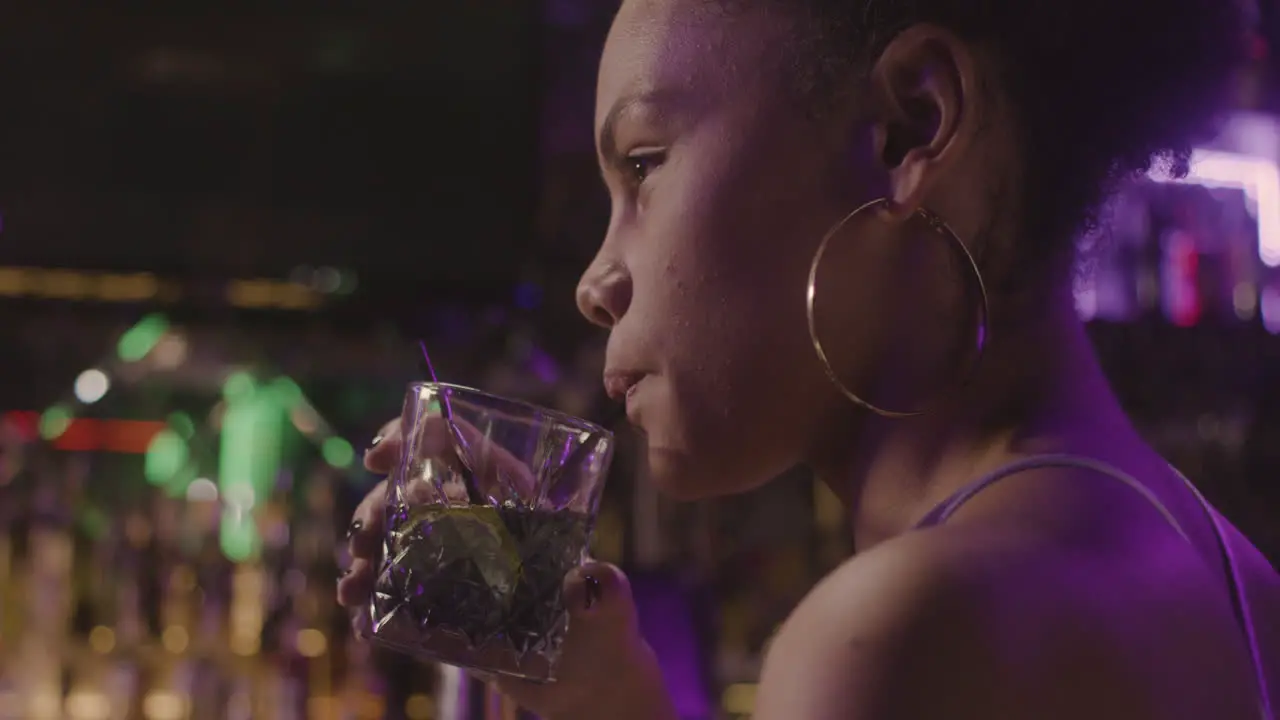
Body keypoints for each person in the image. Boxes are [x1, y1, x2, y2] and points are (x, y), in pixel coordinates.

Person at [339, 0, 1280, 717]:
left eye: (645, 163)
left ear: (907, 129)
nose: (597, 280)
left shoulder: (900, 630)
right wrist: (593, 682)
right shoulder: (1231, 572)